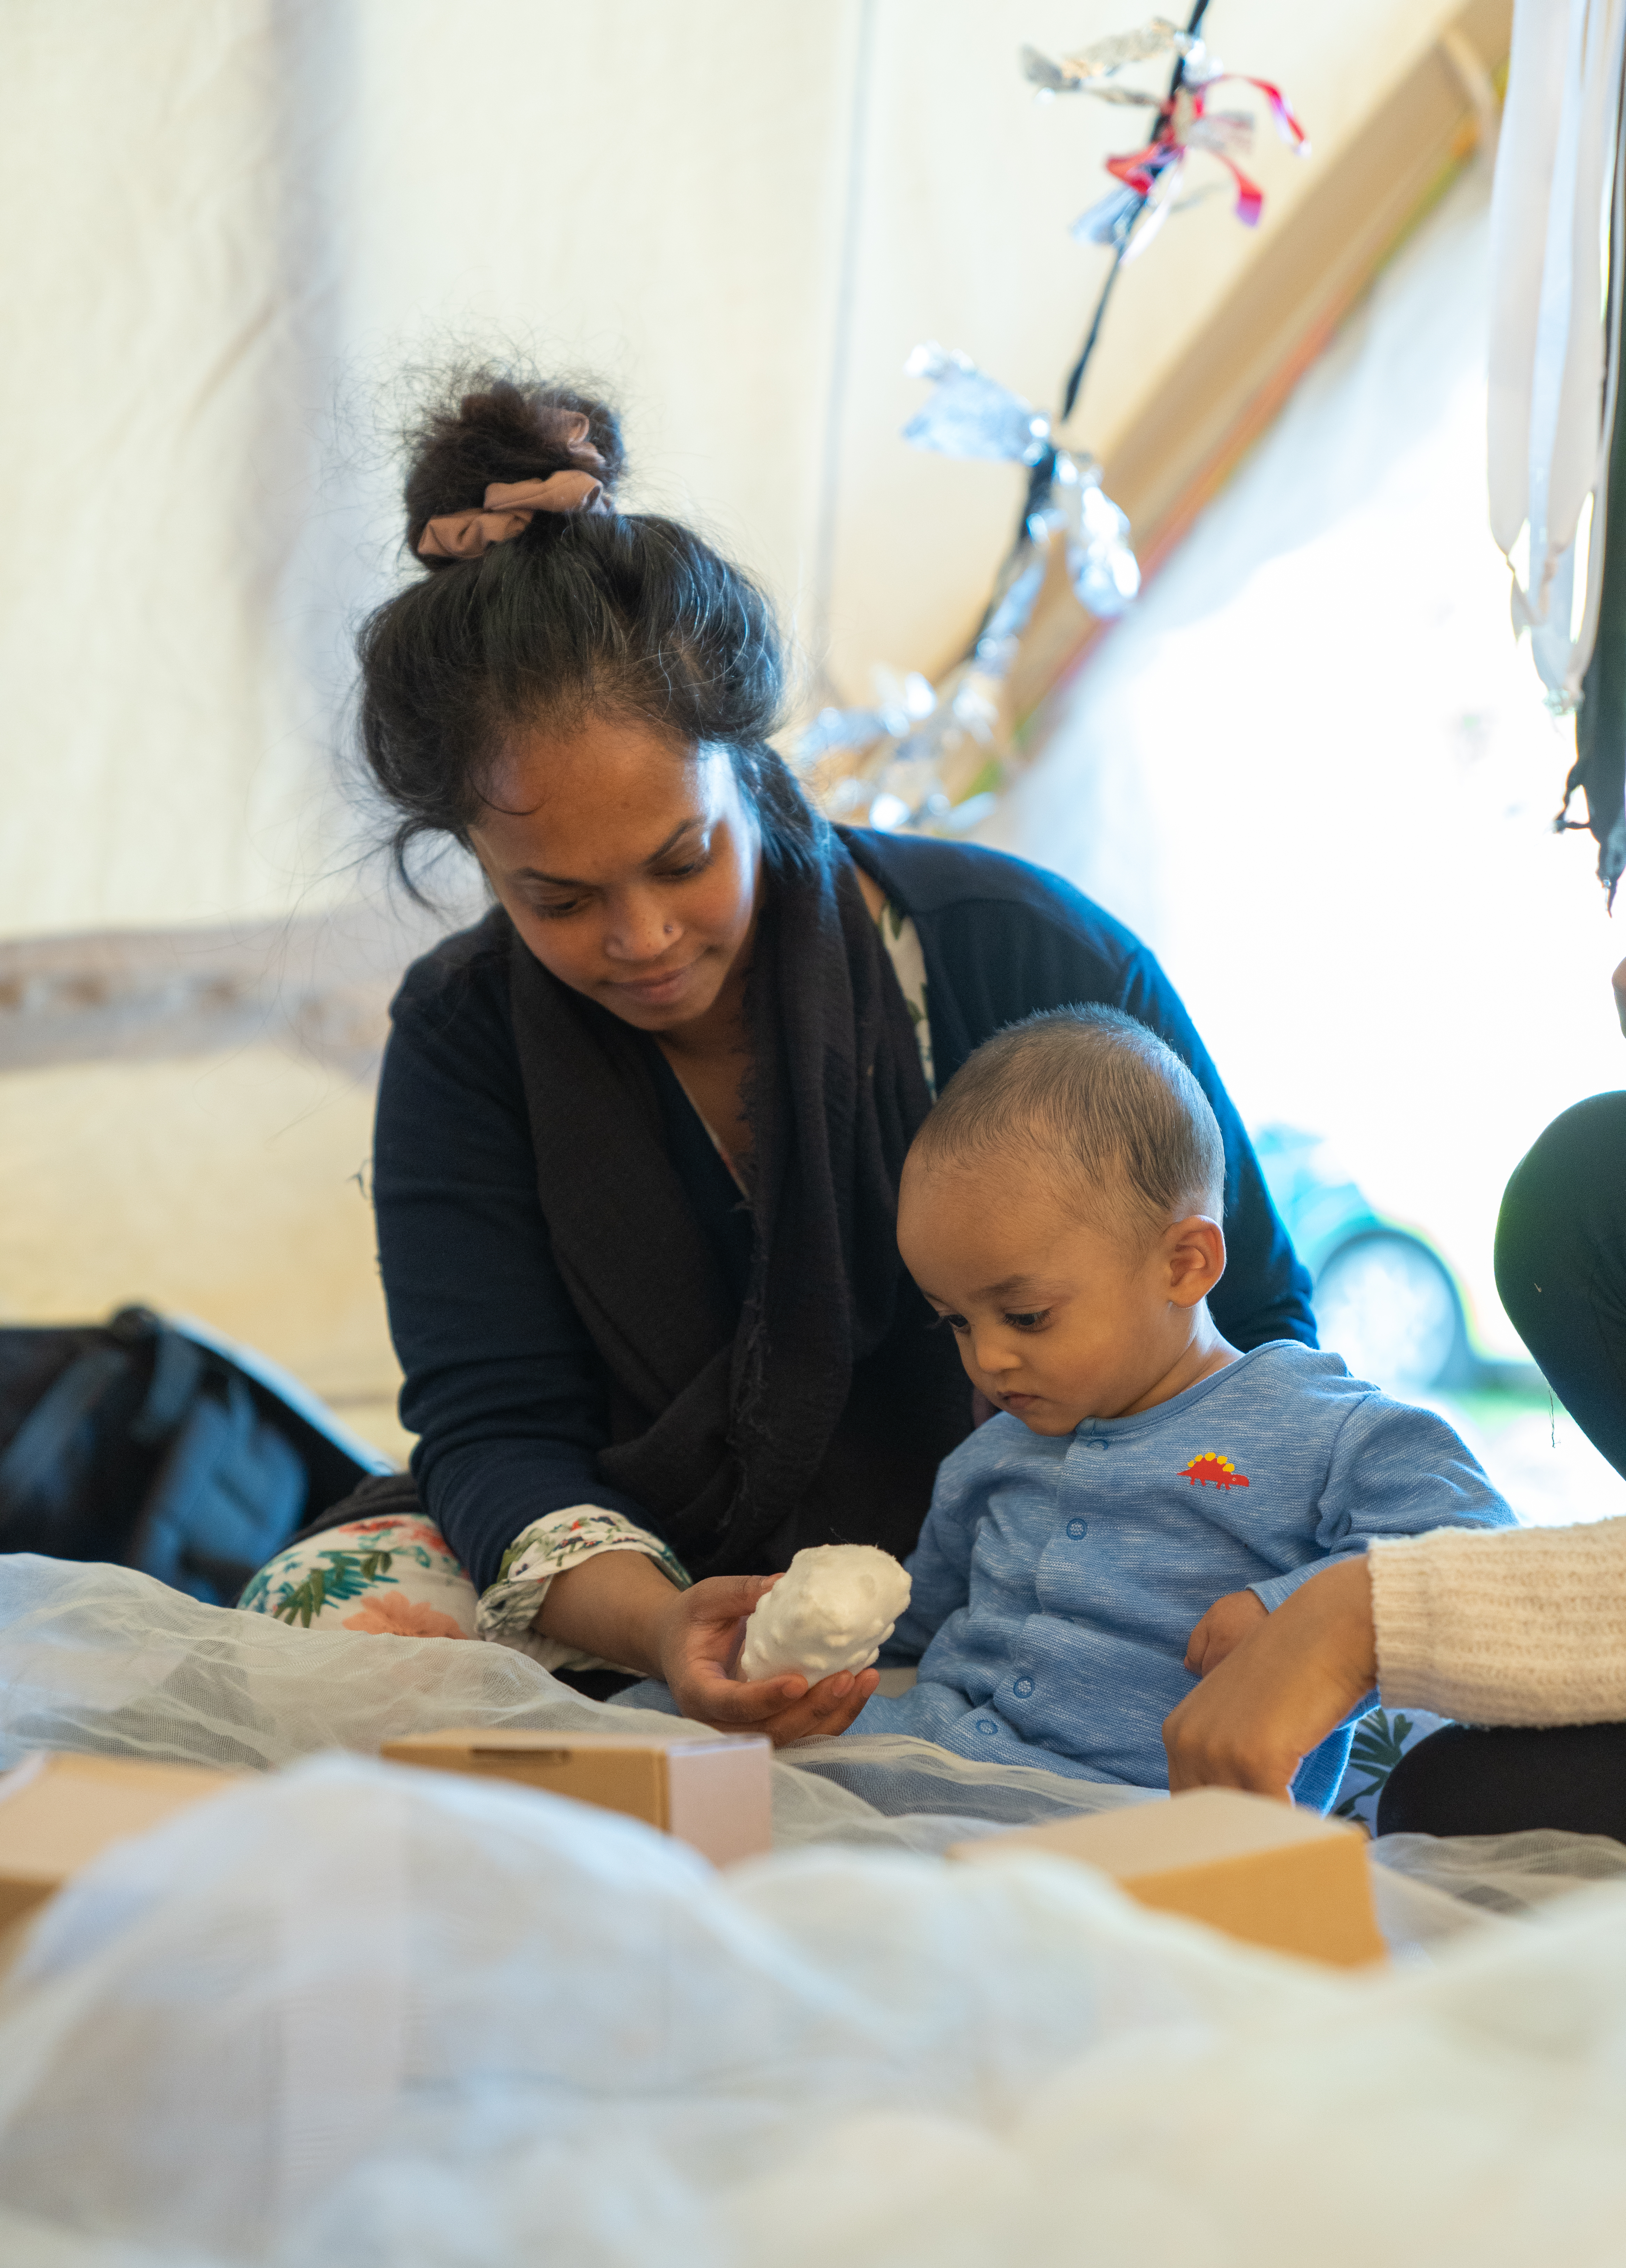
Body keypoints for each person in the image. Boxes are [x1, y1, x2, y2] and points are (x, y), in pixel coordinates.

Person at [243, 369, 1313, 1743]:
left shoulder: (1013, 959)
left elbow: (1265, 1324)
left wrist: (1127, 1550)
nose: (639, 938)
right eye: (553, 899)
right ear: (473, 858)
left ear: (746, 764)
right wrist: (658, 1626)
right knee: (324, 1624)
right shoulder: (466, 1041)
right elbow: (493, 1426)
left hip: (1045, 1539)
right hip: (647, 1571)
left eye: (682, 860)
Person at [812, 1008, 1511, 1808]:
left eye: (1027, 1316)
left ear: (1184, 1265)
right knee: (662, 1718)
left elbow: (1479, 1553)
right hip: (924, 1766)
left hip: (1135, 1823)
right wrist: (804, 1636)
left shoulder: (1311, 1423)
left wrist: (1292, 1611)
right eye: (958, 1322)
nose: (988, 1359)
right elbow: (909, 1624)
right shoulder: (986, 1457)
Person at [1162, 959, 1626, 1834]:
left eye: (1029, 1314)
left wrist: (1368, 1611)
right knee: (1456, 1797)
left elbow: (1461, 1520)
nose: (1618, 975)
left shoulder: (1320, 1427)